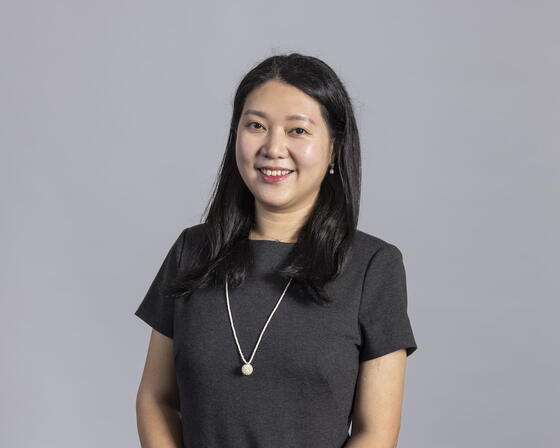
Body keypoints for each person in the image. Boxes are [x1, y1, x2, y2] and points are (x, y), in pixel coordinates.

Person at [134, 52, 418, 448]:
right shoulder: (192, 251)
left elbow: (377, 432)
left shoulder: (373, 266)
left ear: (334, 148)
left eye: (297, 130)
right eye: (256, 126)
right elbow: (156, 399)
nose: (273, 147)